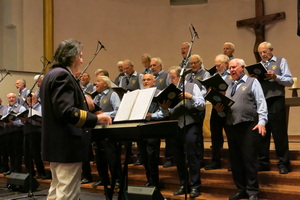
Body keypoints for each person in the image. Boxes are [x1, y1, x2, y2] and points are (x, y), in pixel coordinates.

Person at [40, 39, 112, 200]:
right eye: (80, 56)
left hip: (55, 145)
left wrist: (81, 98)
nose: (81, 60)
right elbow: (67, 112)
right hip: (67, 145)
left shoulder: (50, 75)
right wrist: (96, 119)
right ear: (71, 57)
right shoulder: (63, 76)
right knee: (67, 194)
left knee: (56, 190)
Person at [214, 58, 268, 200]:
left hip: (248, 125)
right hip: (231, 126)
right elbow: (225, 109)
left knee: (249, 159)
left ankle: (253, 192)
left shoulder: (252, 82)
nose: (231, 70)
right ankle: (241, 189)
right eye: (230, 68)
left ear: (242, 67)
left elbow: (261, 102)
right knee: (236, 160)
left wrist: (262, 121)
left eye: (234, 67)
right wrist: (219, 110)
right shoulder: (228, 85)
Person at [161, 66, 206, 198]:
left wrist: (190, 96)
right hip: (176, 127)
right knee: (178, 157)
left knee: (192, 156)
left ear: (181, 77)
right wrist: (164, 108)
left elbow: (201, 105)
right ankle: (183, 184)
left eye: (173, 77)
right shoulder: (170, 91)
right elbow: (167, 113)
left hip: (191, 124)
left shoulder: (192, 86)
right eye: (170, 78)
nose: (171, 80)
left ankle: (195, 186)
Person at [256, 41, 293, 174]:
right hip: (262, 102)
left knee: (279, 133)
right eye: (260, 53)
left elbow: (289, 81)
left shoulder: (280, 61)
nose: (263, 54)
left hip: (276, 100)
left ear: (271, 50)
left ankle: (283, 163)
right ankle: (263, 162)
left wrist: (275, 76)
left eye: (265, 51)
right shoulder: (258, 66)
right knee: (262, 133)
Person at [92, 75, 122, 189]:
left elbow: (117, 111)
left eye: (98, 81)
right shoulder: (95, 97)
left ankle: (117, 179)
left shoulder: (112, 94)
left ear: (105, 83)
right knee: (99, 157)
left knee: (111, 156)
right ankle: (103, 179)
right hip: (97, 130)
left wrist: (103, 115)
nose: (95, 83)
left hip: (109, 129)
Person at [204, 54, 232, 170]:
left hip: (229, 110)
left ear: (226, 64)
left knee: (231, 136)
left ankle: (233, 162)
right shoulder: (215, 76)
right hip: (216, 108)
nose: (217, 68)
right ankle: (215, 161)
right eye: (215, 65)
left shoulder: (231, 76)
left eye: (219, 65)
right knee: (215, 136)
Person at [140, 73, 166, 188]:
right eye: (144, 80)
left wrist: (151, 115)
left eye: (148, 80)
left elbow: (163, 112)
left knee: (152, 157)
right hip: (141, 127)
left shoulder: (159, 93)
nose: (146, 82)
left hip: (153, 127)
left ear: (154, 82)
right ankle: (149, 179)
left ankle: (155, 182)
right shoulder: (140, 94)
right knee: (144, 157)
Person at [21, 93, 47, 179]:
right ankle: (31, 173)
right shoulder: (28, 109)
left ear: (36, 99)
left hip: (36, 132)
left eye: (31, 99)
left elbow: (42, 120)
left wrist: (31, 119)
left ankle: (41, 172)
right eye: (28, 100)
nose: (29, 100)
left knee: (36, 154)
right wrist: (24, 119)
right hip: (27, 132)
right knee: (26, 154)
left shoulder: (40, 107)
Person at [2, 93, 27, 175]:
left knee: (17, 152)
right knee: (10, 152)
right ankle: (12, 169)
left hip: (17, 133)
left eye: (13, 97)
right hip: (7, 133)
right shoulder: (5, 109)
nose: (11, 99)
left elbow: (24, 121)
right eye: (9, 98)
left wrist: (13, 123)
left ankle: (17, 170)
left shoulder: (21, 108)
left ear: (16, 98)